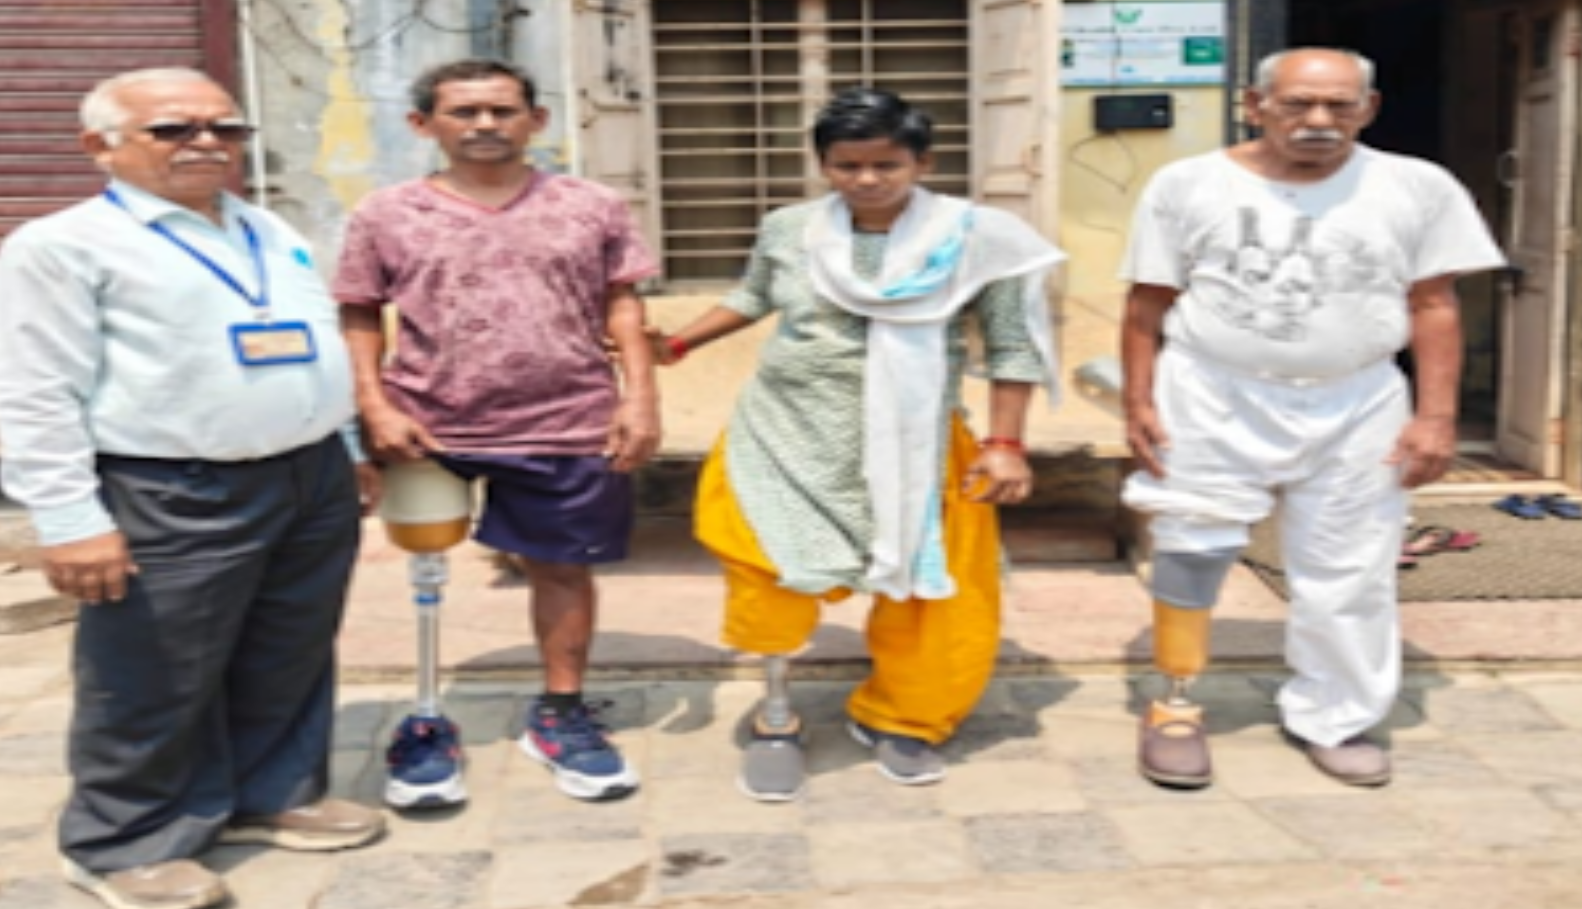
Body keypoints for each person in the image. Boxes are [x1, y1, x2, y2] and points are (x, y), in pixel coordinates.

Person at [0, 68, 385, 909]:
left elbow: (311, 340)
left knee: (287, 650)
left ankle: (269, 793)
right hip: (172, 486)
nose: (208, 143)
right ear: (99, 146)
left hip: (308, 474)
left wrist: (347, 442)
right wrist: (67, 519)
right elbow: (32, 390)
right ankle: (122, 840)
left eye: (226, 128)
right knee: (154, 670)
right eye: (174, 129)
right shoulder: (61, 246)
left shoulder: (264, 225)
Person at [652, 88, 1065, 801]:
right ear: (823, 164)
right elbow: (754, 296)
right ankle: (776, 715)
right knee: (766, 570)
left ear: (923, 162)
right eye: (847, 165)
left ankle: (905, 717)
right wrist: (681, 342)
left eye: (886, 165)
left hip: (918, 439)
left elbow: (1011, 346)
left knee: (939, 591)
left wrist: (1005, 442)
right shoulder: (790, 228)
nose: (866, 179)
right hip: (785, 428)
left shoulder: (977, 237)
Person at [1120, 48, 1505, 789]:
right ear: (1254, 104)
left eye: (1339, 105)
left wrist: (1437, 416)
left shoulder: (1418, 187)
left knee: (1351, 566)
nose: (1319, 120)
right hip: (1210, 393)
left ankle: (1335, 716)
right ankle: (1175, 704)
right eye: (1298, 104)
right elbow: (1147, 302)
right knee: (1191, 546)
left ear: (1370, 108)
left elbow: (1433, 305)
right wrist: (1138, 399)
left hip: (1358, 400)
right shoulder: (1187, 184)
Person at [334, 58, 661, 804]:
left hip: (568, 421)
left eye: (502, 110)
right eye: (464, 111)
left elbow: (623, 305)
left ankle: (561, 714)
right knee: (424, 566)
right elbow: (358, 311)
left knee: (562, 568)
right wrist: (373, 406)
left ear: (536, 120)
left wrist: (640, 398)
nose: (485, 124)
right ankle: (426, 716)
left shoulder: (592, 205)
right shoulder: (386, 213)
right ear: (424, 124)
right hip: (429, 423)